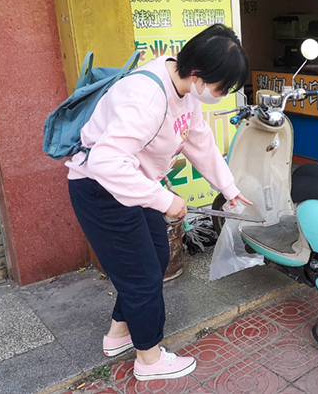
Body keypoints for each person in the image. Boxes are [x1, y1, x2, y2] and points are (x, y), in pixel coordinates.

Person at [66, 24, 252, 380]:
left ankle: (118, 335)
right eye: (221, 87)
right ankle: (148, 360)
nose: (222, 94)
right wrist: (163, 198)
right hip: (100, 189)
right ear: (198, 73)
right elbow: (106, 162)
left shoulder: (187, 91)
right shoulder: (147, 97)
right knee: (142, 273)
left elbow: (199, 141)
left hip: (135, 184)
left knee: (157, 256)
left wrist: (228, 188)